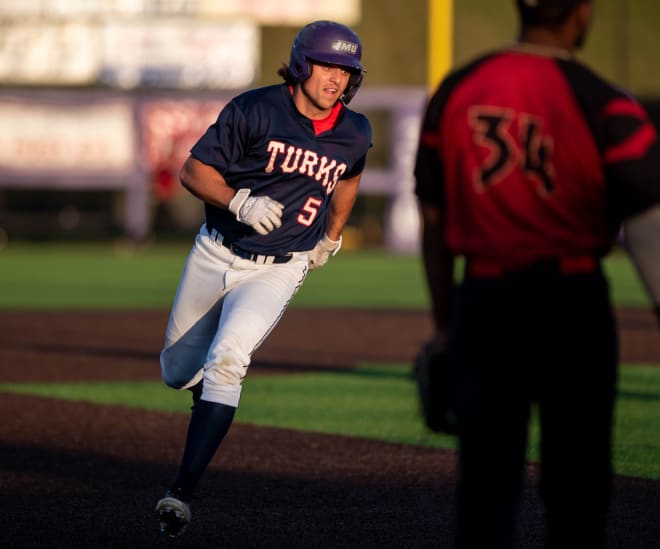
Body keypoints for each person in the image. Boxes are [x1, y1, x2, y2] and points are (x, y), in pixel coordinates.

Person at [413, 1, 660, 547]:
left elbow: (433, 219)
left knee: (485, 490)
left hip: (485, 302)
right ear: (583, 14)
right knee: (578, 492)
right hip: (572, 304)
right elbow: (648, 225)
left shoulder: (457, 89)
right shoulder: (603, 99)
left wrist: (445, 325)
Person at [154, 20, 371, 538]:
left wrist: (332, 236)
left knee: (229, 360)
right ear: (300, 64)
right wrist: (239, 200)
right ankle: (202, 391)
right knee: (177, 371)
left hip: (279, 267)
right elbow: (192, 172)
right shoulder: (254, 109)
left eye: (346, 70)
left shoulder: (355, 130)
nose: (336, 79)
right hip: (215, 251)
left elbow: (350, 176)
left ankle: (181, 492)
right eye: (326, 65)